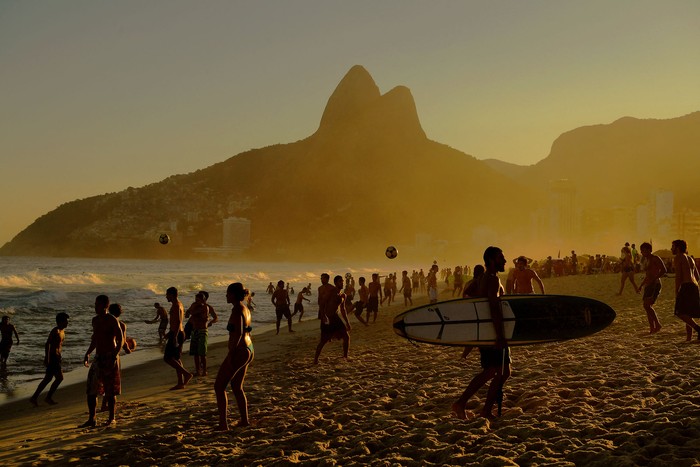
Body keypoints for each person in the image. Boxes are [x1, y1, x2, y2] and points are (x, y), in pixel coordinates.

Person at [452, 246, 511, 421]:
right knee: (495, 370)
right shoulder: (491, 279)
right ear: (492, 260)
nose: (505, 261)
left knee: (499, 371)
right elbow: (493, 307)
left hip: (488, 331)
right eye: (501, 258)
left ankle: (475, 407)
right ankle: (464, 404)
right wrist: (499, 335)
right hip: (491, 332)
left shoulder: (486, 278)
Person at [80, 295, 124, 428]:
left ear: (105, 306)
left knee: (110, 390)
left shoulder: (111, 319)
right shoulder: (95, 320)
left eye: (97, 304)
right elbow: (95, 339)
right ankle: (92, 418)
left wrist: (114, 355)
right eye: (95, 304)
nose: (95, 307)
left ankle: (112, 418)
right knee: (91, 389)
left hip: (110, 356)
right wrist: (88, 352)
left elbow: (120, 339)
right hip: (98, 357)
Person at [215, 283, 254, 431]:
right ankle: (245, 420)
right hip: (248, 348)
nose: (226, 295)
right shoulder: (245, 308)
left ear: (233, 295)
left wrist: (231, 354)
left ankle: (223, 424)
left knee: (219, 386)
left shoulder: (237, 310)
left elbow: (237, 333)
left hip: (239, 351)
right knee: (237, 386)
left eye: (227, 293)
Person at [100, 303, 135, 412]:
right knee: (112, 381)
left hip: (102, 354)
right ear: (120, 312)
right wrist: (129, 350)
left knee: (104, 380)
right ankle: (105, 404)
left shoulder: (103, 322)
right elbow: (122, 342)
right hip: (114, 354)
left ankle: (103, 403)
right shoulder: (121, 325)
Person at [29, 312, 69, 406]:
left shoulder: (62, 331)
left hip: (57, 357)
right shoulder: (55, 331)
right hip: (53, 358)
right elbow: (48, 344)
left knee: (47, 379)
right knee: (59, 378)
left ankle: (34, 398)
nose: (67, 323)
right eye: (66, 321)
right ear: (60, 322)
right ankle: (47, 397)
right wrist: (47, 358)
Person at [314, 275, 352, 364]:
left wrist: (347, 322)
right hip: (328, 317)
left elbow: (343, 309)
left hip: (335, 317)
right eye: (340, 281)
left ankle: (345, 356)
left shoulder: (343, 295)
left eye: (342, 281)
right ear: (335, 283)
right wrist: (323, 316)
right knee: (324, 340)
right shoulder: (331, 292)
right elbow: (322, 303)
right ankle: (315, 359)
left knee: (346, 337)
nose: (342, 283)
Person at [163, 287, 193, 390]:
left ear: (172, 295)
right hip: (177, 332)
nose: (166, 296)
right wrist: (169, 333)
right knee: (176, 358)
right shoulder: (177, 305)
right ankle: (180, 383)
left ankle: (186, 374)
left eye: (167, 294)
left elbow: (179, 321)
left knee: (167, 358)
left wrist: (174, 336)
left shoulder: (176, 305)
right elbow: (175, 322)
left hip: (177, 333)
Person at [671, 240, 700, 341]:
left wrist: (676, 290)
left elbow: (678, 276)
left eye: (673, 246)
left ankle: (698, 329)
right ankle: (689, 338)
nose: (671, 249)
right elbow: (698, 276)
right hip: (694, 286)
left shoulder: (678, 257)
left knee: (680, 313)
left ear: (678, 248)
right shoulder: (690, 258)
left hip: (686, 285)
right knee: (689, 313)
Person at [187, 291, 218, 376]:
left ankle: (204, 370)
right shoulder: (194, 305)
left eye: (198, 299)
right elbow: (189, 313)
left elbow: (215, 317)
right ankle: (198, 370)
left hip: (202, 330)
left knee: (202, 352)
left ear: (204, 299)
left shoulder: (206, 307)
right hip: (195, 330)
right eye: (196, 299)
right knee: (195, 353)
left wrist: (211, 322)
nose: (196, 301)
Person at [638, 242, 666, 334]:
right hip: (648, 284)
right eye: (641, 251)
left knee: (647, 305)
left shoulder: (655, 258)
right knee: (647, 306)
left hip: (655, 284)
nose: (642, 252)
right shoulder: (646, 260)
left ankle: (657, 324)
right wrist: (641, 285)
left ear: (649, 250)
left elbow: (664, 270)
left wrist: (655, 278)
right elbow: (647, 275)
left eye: (644, 250)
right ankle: (652, 328)